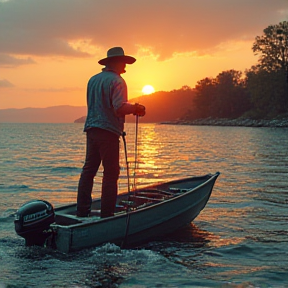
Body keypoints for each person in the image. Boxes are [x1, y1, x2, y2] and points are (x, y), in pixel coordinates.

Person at [77, 47, 145, 218]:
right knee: (110, 173)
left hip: (91, 130)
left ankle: (81, 212)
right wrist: (136, 108)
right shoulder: (118, 81)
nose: (125, 67)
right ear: (115, 62)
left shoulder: (92, 80)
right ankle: (107, 215)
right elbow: (118, 107)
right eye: (123, 62)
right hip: (108, 132)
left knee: (89, 171)